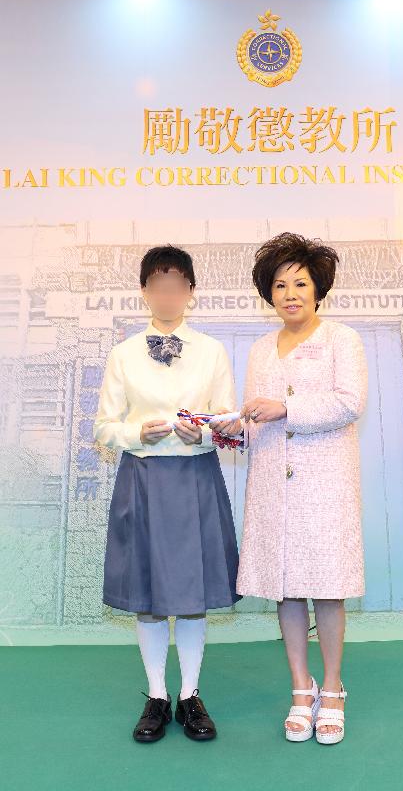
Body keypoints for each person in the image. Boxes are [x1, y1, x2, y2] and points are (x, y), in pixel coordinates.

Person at [94, 245, 242, 743]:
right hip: (143, 479)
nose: (167, 294)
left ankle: (190, 695)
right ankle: (157, 694)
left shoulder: (212, 351)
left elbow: (228, 424)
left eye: (177, 284)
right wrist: (139, 433)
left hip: (196, 479)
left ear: (191, 292)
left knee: (194, 596)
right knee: (151, 596)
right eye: (158, 284)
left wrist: (198, 433)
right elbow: (103, 428)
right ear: (144, 292)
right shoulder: (122, 354)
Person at [236, 232, 368, 745]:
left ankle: (333, 688)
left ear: (318, 289)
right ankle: (300, 687)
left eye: (300, 283)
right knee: (285, 587)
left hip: (325, 481)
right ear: (269, 294)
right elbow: (255, 415)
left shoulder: (342, 339)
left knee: (327, 589)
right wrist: (229, 428)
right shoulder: (258, 349)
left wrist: (288, 408)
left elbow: (349, 402)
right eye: (279, 284)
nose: (290, 293)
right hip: (272, 480)